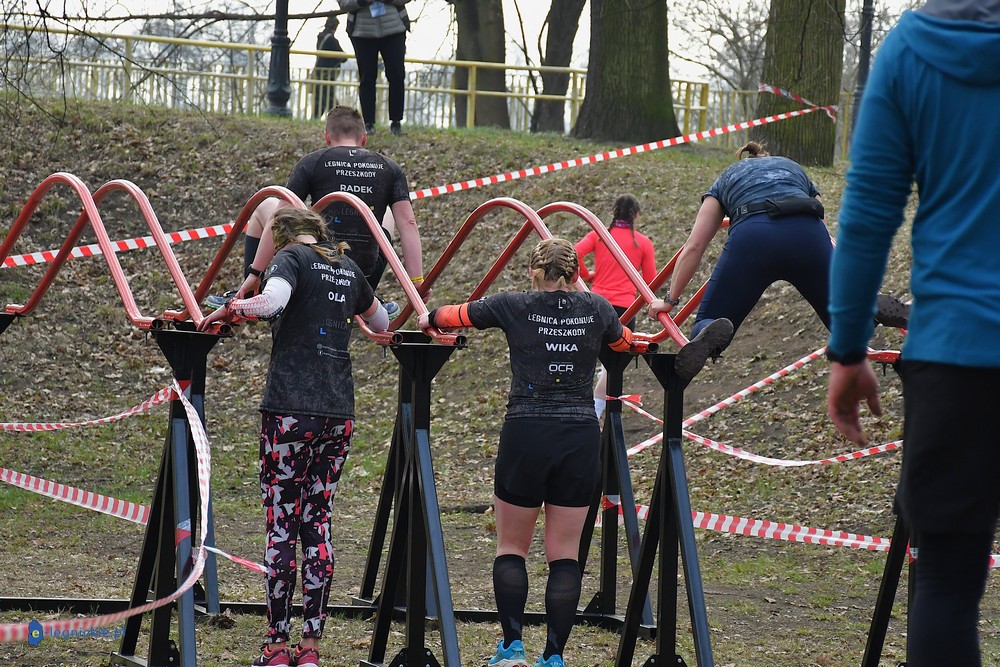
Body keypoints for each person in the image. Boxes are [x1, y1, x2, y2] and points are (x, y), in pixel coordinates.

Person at [826, 4, 1000, 666]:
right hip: (955, 349)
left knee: (947, 586)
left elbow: (868, 215)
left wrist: (848, 349)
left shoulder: (907, 53)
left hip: (957, 354)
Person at [418, 238, 635, 667]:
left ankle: (512, 647)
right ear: (576, 274)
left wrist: (429, 317)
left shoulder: (512, 304)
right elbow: (625, 343)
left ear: (532, 273)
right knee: (565, 554)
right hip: (578, 437)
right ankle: (553, 657)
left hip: (526, 433)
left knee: (512, 547)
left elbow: (454, 315)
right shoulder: (598, 308)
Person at [199, 207, 389, 667]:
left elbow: (271, 303)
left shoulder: (290, 259)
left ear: (281, 237)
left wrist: (231, 308)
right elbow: (382, 321)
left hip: (289, 410)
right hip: (338, 412)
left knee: (282, 524)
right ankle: (311, 647)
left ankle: (277, 646)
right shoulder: (347, 266)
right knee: (318, 522)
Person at [647, 140, 908, 356]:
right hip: (808, 235)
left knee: (708, 320)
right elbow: (821, 219)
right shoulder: (793, 169)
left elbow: (695, 246)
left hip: (754, 236)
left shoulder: (728, 176)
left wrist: (669, 301)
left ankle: (709, 331)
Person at [228, 106, 424, 316]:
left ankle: (251, 287)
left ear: (327, 138)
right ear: (364, 138)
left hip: (317, 270)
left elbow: (279, 218)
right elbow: (408, 224)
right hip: (363, 278)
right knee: (389, 215)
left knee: (266, 207)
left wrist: (256, 272)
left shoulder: (313, 162)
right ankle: (370, 297)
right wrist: (416, 283)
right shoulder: (389, 168)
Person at [575, 194, 657, 417]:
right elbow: (651, 280)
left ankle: (583, 410)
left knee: (590, 358)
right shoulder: (643, 243)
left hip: (595, 305)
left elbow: (575, 253)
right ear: (636, 216)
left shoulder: (599, 236)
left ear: (613, 213)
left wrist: (586, 275)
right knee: (613, 366)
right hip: (625, 309)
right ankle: (595, 413)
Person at [338, 0, 410, 136]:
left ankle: (396, 122)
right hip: (362, 32)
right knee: (367, 78)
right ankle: (368, 123)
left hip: (394, 29)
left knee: (397, 76)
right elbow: (343, 3)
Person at [313, 14, 347, 120]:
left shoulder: (320, 37)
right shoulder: (332, 40)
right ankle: (339, 118)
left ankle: (316, 117)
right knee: (329, 96)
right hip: (329, 73)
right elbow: (344, 57)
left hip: (319, 71)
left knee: (321, 96)